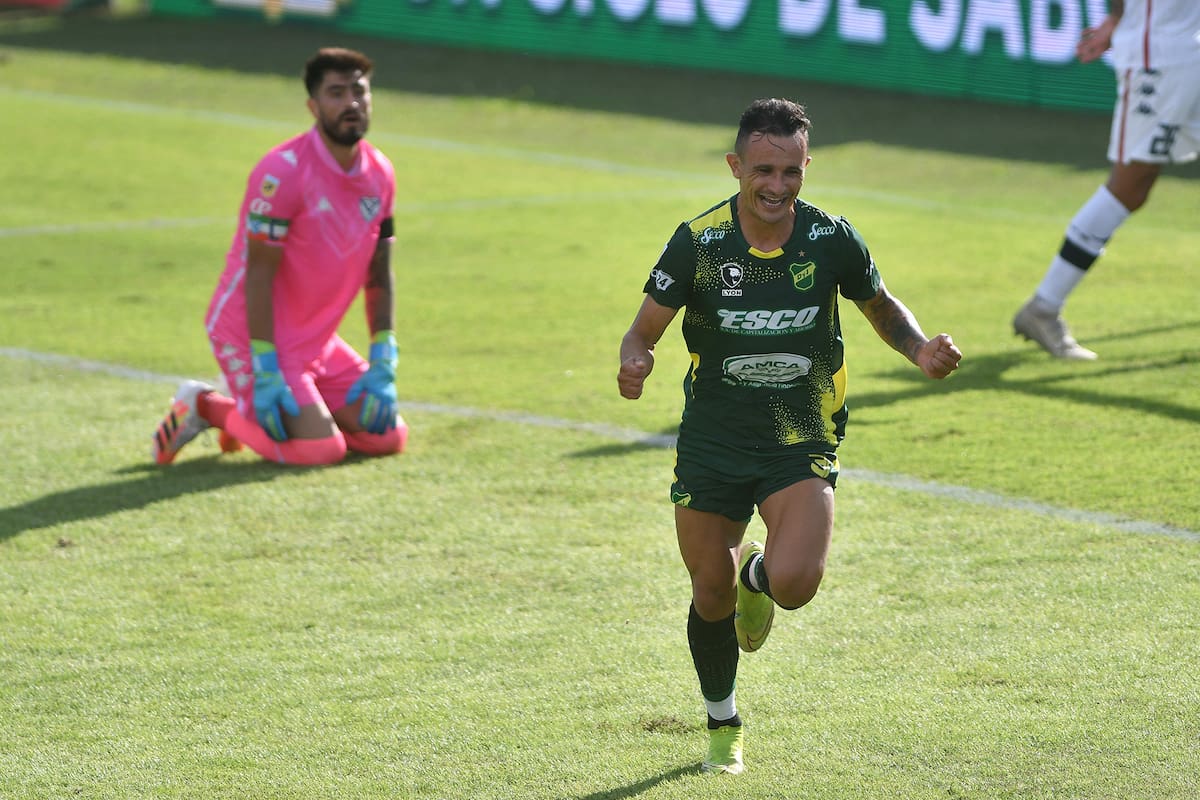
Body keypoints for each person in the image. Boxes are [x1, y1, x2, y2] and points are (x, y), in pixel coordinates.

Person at [617, 98, 961, 776]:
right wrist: (636, 359)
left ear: (808, 167)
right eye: (763, 170)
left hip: (799, 435)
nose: (777, 186)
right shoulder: (700, 242)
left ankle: (760, 571)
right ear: (736, 165)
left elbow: (879, 304)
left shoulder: (831, 239)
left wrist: (919, 349)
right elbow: (644, 327)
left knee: (797, 583)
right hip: (712, 440)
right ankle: (723, 722)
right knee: (709, 594)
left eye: (791, 172)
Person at [151, 47, 407, 466]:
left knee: (388, 437)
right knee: (321, 449)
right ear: (313, 105)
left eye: (359, 92)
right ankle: (205, 405)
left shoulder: (380, 174)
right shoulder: (282, 173)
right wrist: (265, 366)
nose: (351, 104)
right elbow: (258, 274)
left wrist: (384, 354)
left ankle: (299, 411)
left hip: (315, 340)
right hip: (250, 334)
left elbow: (380, 273)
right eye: (336, 94)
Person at [1013, 0, 1200, 359]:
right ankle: (1043, 308)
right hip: (1159, 55)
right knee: (1130, 185)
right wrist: (1117, 17)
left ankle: (1044, 308)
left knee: (1134, 186)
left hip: (1187, 42)